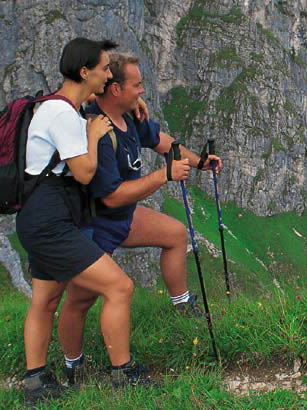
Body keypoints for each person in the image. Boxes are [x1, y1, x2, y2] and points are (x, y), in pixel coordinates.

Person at [56, 52, 222, 384]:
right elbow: (111, 195)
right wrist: (165, 177)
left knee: (175, 234)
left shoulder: (130, 116)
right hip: (94, 226)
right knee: (81, 298)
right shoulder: (97, 131)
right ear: (115, 89)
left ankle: (182, 304)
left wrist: (200, 162)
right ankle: (74, 365)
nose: (142, 91)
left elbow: (164, 143)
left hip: (121, 218)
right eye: (137, 84)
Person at [16, 38, 153, 406]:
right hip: (51, 222)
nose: (108, 75)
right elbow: (83, 172)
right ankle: (123, 373)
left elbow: (96, 100)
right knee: (119, 287)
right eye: (104, 69)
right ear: (85, 72)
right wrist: (93, 136)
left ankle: (36, 382)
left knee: (45, 300)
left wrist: (133, 100)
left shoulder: (62, 105)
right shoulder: (63, 115)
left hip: (39, 217)